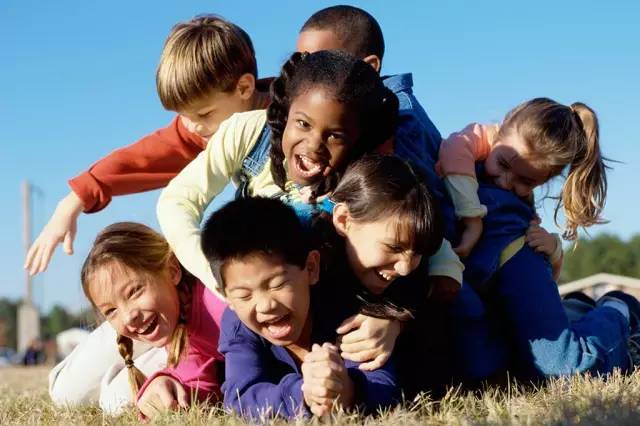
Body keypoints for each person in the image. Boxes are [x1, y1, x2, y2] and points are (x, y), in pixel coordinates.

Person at [157, 50, 462, 299]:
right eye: (302, 124)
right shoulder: (246, 132)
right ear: (287, 109)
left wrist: (442, 263)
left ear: (356, 142)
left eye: (335, 135)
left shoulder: (360, 171)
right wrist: (219, 278)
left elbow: (403, 219)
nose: (314, 145)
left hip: (329, 296)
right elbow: (176, 202)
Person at [25, 14, 270, 275]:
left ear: (244, 88)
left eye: (204, 114)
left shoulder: (293, 109)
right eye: (183, 116)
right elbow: (139, 160)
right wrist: (72, 202)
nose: (192, 127)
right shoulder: (204, 128)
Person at [202, 196, 401, 419]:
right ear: (226, 297)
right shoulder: (238, 326)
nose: (266, 305)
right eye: (244, 295)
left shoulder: (344, 306)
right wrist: (303, 394)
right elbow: (240, 397)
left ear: (311, 268)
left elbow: (384, 385)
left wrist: (348, 390)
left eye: (278, 284)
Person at [436, 98, 607, 275]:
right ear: (503, 127)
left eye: (525, 181)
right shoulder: (479, 137)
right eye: (503, 164)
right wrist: (471, 218)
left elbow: (541, 273)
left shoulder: (524, 202)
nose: (504, 182)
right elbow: (455, 147)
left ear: (544, 181)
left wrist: (554, 251)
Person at [79, 222, 226, 419]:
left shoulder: (216, 302)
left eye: (134, 291)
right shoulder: (179, 328)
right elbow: (199, 388)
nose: (128, 316)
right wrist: (167, 387)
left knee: (112, 399)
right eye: (111, 311)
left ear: (172, 270)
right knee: (72, 393)